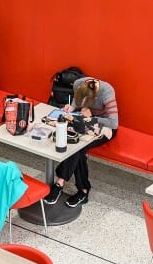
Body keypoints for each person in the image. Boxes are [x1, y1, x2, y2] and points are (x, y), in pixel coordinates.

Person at [44, 77, 118, 208]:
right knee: (76, 143)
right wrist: (71, 108)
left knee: (78, 147)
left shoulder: (107, 91)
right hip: (83, 120)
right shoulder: (78, 83)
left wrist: (92, 117)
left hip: (104, 126)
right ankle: (83, 190)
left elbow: (113, 122)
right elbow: (76, 102)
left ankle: (61, 183)